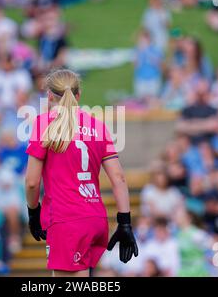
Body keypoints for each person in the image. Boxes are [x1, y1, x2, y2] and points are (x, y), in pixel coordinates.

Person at [25, 69, 138, 277]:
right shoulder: (98, 126)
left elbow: (32, 182)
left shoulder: (43, 123)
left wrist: (33, 213)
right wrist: (125, 222)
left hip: (66, 219)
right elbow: (118, 178)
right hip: (95, 217)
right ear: (78, 95)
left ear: (49, 95)